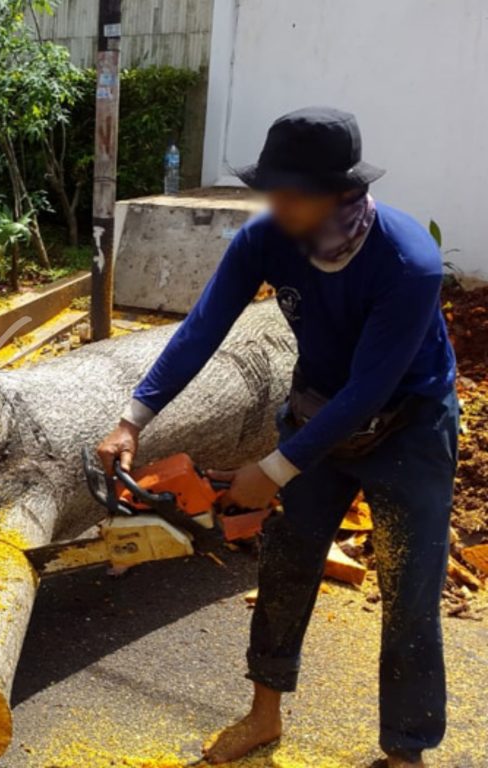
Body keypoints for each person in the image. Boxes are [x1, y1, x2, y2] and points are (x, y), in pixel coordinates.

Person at [97, 107, 457, 768]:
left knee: (410, 591)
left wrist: (277, 466)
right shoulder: (266, 240)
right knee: (286, 567)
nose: (276, 204)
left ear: (341, 193)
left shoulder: (407, 263)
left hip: (408, 428)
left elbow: (370, 391)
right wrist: (133, 418)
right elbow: (202, 329)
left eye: (293, 193)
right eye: (273, 189)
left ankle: (407, 753)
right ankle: (263, 715)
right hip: (315, 405)